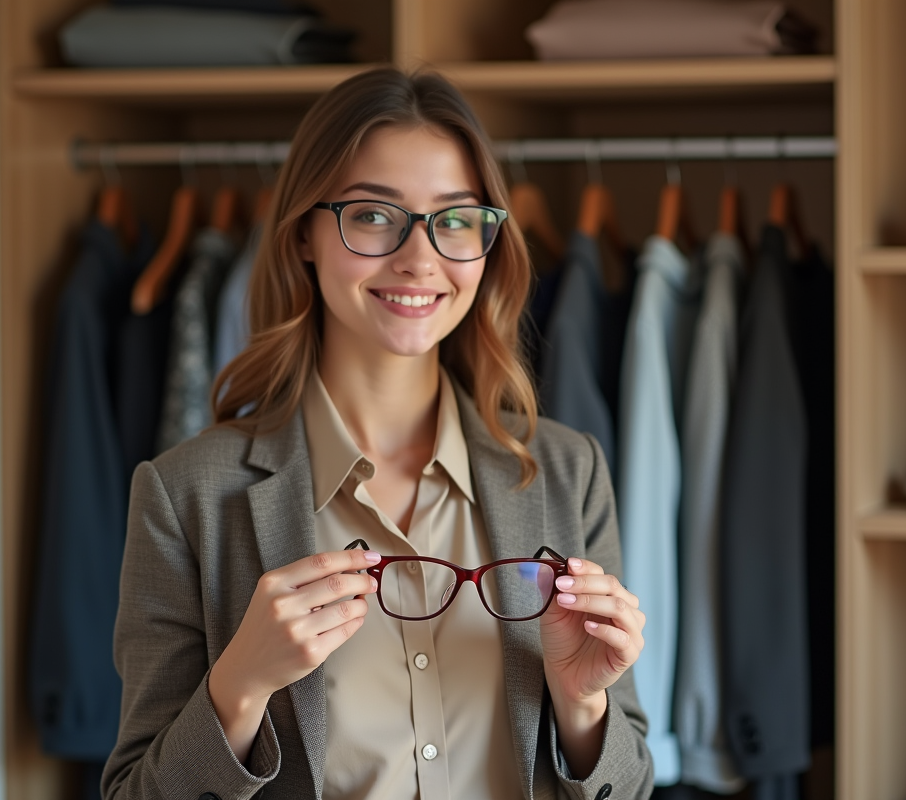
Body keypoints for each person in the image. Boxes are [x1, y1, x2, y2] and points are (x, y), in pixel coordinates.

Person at [102, 67, 653, 800]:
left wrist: (584, 706)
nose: (420, 257)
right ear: (303, 231)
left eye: (456, 219)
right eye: (372, 215)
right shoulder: (186, 495)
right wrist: (240, 684)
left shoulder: (566, 469)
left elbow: (633, 781)